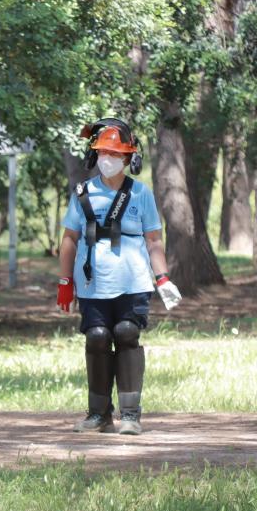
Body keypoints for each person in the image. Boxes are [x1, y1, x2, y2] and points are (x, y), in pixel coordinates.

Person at [56, 120, 182, 435]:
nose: (107, 159)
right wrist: (64, 282)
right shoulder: (83, 192)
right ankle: (98, 414)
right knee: (97, 337)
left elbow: (154, 241)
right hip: (91, 284)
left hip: (134, 283)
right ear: (93, 156)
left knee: (126, 333)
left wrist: (163, 278)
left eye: (114, 153)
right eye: (102, 153)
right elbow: (70, 239)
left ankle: (130, 415)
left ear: (129, 159)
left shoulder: (140, 194)